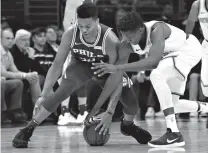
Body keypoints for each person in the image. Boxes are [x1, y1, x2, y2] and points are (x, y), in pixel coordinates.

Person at [12, 3, 151, 148]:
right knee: (60, 92)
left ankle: (127, 125)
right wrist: (44, 94)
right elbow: (56, 65)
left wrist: (109, 111)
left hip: (106, 69)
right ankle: (28, 129)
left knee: (131, 104)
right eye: (80, 26)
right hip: (81, 65)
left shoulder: (110, 39)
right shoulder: (70, 34)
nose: (83, 30)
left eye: (88, 26)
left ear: (97, 22)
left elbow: (116, 75)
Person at [91, 12, 208, 147]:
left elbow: (153, 63)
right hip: (173, 58)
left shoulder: (157, 29)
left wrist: (118, 68)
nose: (127, 40)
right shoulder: (127, 43)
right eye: (124, 36)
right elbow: (117, 75)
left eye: (130, 37)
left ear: (140, 30)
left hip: (188, 50)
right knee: (171, 105)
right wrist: (109, 110)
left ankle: (173, 133)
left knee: (156, 75)